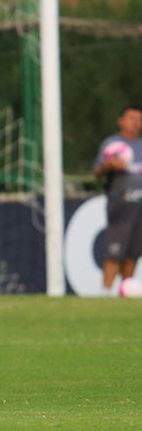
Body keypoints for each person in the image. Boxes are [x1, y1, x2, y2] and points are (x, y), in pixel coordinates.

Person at [94, 104, 142, 296]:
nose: (135, 123)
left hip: (140, 206)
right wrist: (110, 166)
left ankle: (125, 292)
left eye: (139, 119)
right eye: (131, 118)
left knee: (133, 253)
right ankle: (105, 293)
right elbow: (98, 172)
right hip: (121, 205)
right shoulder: (112, 145)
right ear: (121, 121)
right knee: (114, 251)